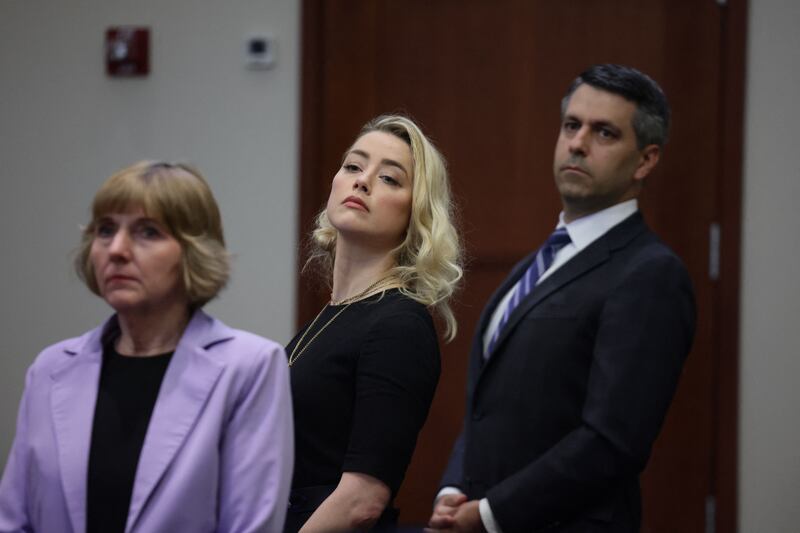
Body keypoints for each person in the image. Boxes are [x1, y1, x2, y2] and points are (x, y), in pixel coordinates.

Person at [428, 64, 696, 532]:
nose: (577, 143)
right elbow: (488, 410)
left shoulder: (650, 273)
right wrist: (454, 490)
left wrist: (490, 514)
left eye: (604, 133)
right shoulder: (535, 265)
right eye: (572, 125)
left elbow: (611, 442)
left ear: (645, 160)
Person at [0, 161, 294, 533]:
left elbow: (250, 526)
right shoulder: (50, 368)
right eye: (105, 230)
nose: (117, 249)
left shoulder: (250, 368)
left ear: (193, 251)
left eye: (147, 232)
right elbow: (13, 520)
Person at [285, 114, 463, 532]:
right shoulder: (333, 315)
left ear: (415, 213)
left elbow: (363, 500)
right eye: (353, 166)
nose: (362, 181)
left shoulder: (399, 324)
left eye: (390, 179)